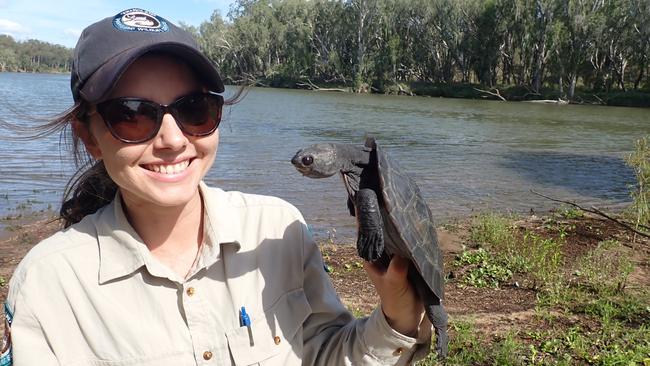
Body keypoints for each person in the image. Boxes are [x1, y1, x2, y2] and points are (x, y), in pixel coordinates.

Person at [2, 8, 432, 366]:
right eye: (131, 114)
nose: (172, 139)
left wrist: (398, 312)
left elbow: (327, 355)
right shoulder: (49, 284)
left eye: (194, 109)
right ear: (89, 136)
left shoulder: (277, 229)